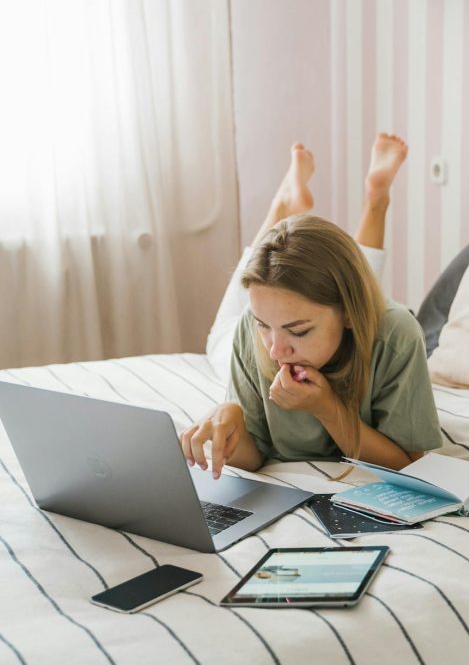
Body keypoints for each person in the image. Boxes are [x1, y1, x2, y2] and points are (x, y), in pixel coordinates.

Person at [183, 134, 442, 479]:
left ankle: (337, 202)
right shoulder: (250, 326)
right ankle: (317, 204)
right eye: (264, 325)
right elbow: (255, 455)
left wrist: (327, 409)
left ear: (349, 313)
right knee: (238, 322)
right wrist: (229, 429)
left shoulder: (396, 336)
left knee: (351, 278)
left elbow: (409, 465)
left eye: (299, 330)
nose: (276, 350)